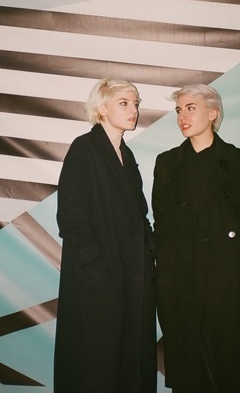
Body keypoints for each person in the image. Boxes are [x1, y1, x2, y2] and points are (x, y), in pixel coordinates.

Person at [151, 84, 240, 393]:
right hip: (182, 290)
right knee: (191, 380)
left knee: (235, 378)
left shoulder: (238, 160)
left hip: (232, 289)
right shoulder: (166, 164)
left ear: (213, 113)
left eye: (190, 108)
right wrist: (166, 275)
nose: (182, 116)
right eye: (178, 110)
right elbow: (161, 225)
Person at [54, 78, 157, 393]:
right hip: (98, 283)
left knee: (127, 368)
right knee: (96, 368)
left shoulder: (127, 154)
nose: (134, 110)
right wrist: (100, 272)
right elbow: (71, 218)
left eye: (135, 103)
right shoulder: (84, 148)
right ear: (101, 109)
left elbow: (139, 217)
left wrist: (150, 258)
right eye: (124, 103)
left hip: (132, 280)